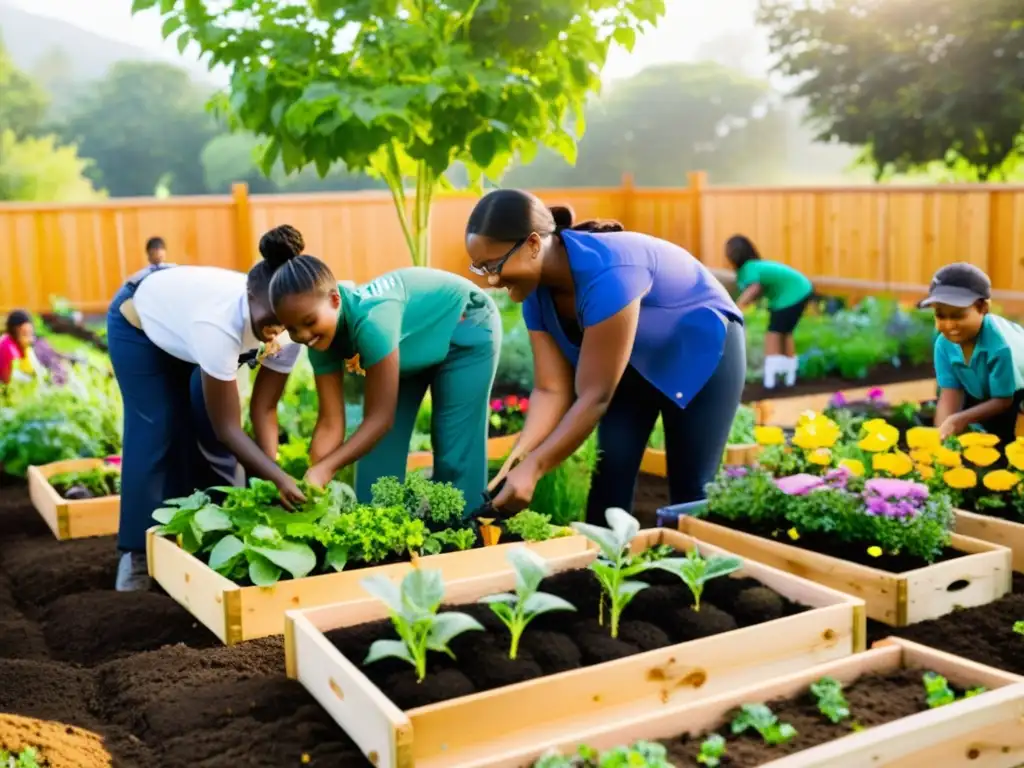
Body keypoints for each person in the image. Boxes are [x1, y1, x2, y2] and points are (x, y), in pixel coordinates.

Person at [464, 190, 746, 524]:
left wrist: (536, 468)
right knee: (610, 473)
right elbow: (550, 390)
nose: (493, 280)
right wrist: (516, 463)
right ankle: (604, 571)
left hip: (701, 350)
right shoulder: (535, 297)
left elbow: (595, 396)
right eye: (482, 269)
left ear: (534, 244)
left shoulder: (608, 273)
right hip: (635, 365)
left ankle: (702, 573)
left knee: (691, 488)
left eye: (495, 265)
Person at [106, 226, 307, 592]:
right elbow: (229, 428)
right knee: (159, 426)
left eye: (285, 323)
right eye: (269, 317)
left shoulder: (291, 330)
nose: (275, 330)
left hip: (189, 330)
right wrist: (278, 479)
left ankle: (215, 539)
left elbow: (264, 408)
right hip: (140, 321)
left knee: (207, 427)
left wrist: (269, 472)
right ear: (249, 296)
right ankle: (137, 552)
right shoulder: (219, 324)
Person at [266, 237, 502, 508]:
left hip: (466, 324)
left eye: (309, 322)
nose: (304, 335)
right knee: (376, 462)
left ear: (334, 299)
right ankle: (379, 535)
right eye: (292, 329)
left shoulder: (372, 321)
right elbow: (331, 422)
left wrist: (327, 468)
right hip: (411, 343)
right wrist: (314, 479)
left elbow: (381, 418)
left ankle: (466, 530)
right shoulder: (320, 341)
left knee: (454, 454)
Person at [922, 263, 1024, 443]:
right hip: (981, 387)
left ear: (983, 307)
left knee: (1008, 440)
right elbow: (950, 393)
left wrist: (960, 419)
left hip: (1016, 391)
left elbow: (1004, 401)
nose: (949, 324)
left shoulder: (1000, 347)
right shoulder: (943, 343)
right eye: (941, 315)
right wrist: (939, 441)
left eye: (958, 315)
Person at [726, 235, 813, 389]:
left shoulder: (749, 267)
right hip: (801, 288)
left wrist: (736, 307)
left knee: (773, 334)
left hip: (791, 294)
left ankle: (770, 380)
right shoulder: (756, 266)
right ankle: (789, 377)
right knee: (785, 333)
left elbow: (754, 288)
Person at [0, 311, 40, 385]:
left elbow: (33, 369)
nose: (30, 338)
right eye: (25, 333)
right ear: (15, 331)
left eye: (30, 333)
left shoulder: (23, 346)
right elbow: (7, 378)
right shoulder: (7, 346)